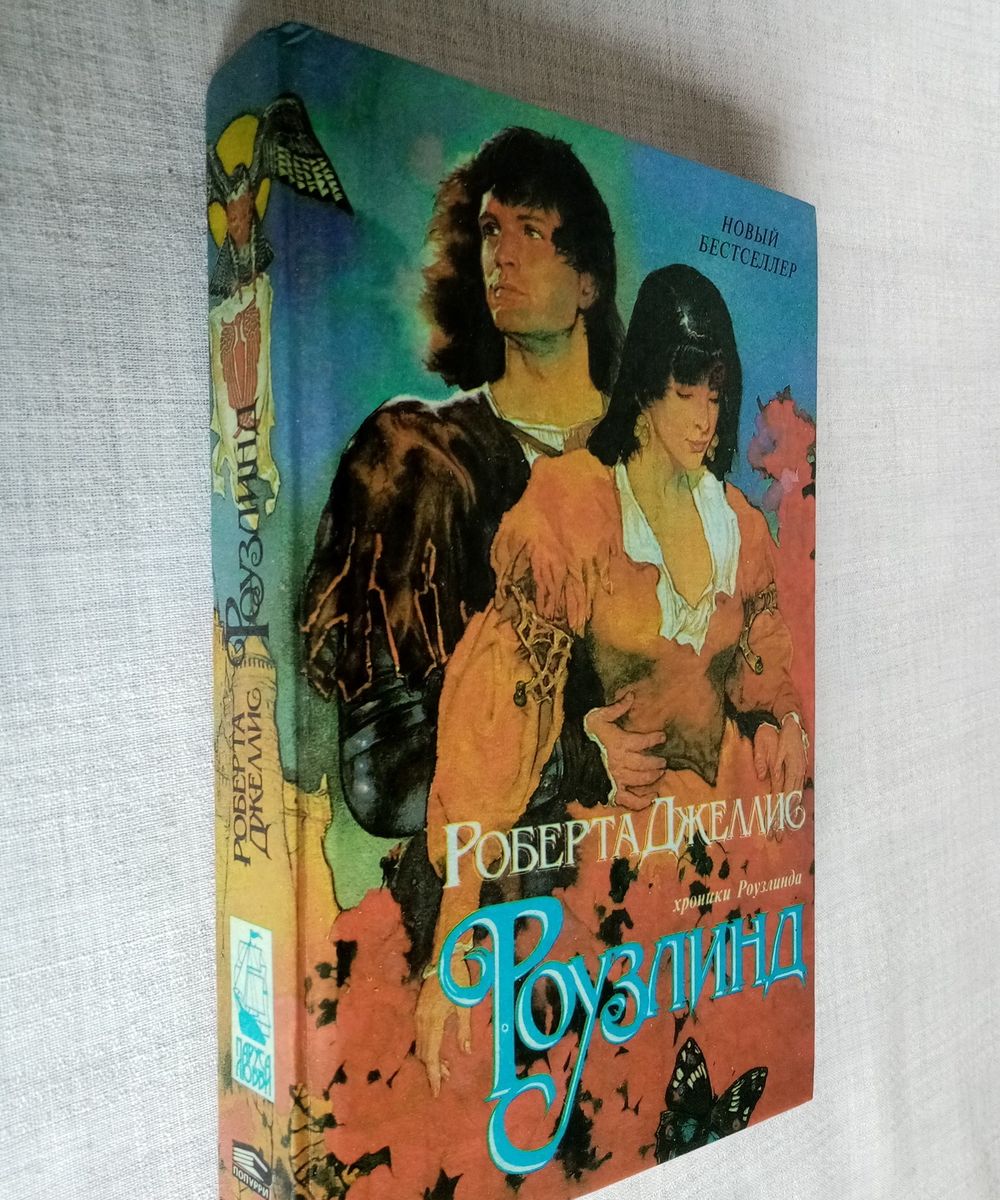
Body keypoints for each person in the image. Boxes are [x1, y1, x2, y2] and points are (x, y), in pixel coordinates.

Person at [416, 264, 809, 1090]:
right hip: (607, 859)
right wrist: (457, 920)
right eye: (685, 389)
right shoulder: (574, 506)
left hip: (725, 852)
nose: (705, 416)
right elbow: (495, 708)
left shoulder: (739, 524)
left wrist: (778, 719)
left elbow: (760, 655)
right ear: (644, 384)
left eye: (716, 393)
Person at [300, 127, 652, 970]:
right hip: (484, 938)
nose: (504, 254)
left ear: (588, 280)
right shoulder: (417, 461)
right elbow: (385, 777)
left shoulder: (661, 460)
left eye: (533, 231)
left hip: (656, 921)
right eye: (492, 230)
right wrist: (575, 757)